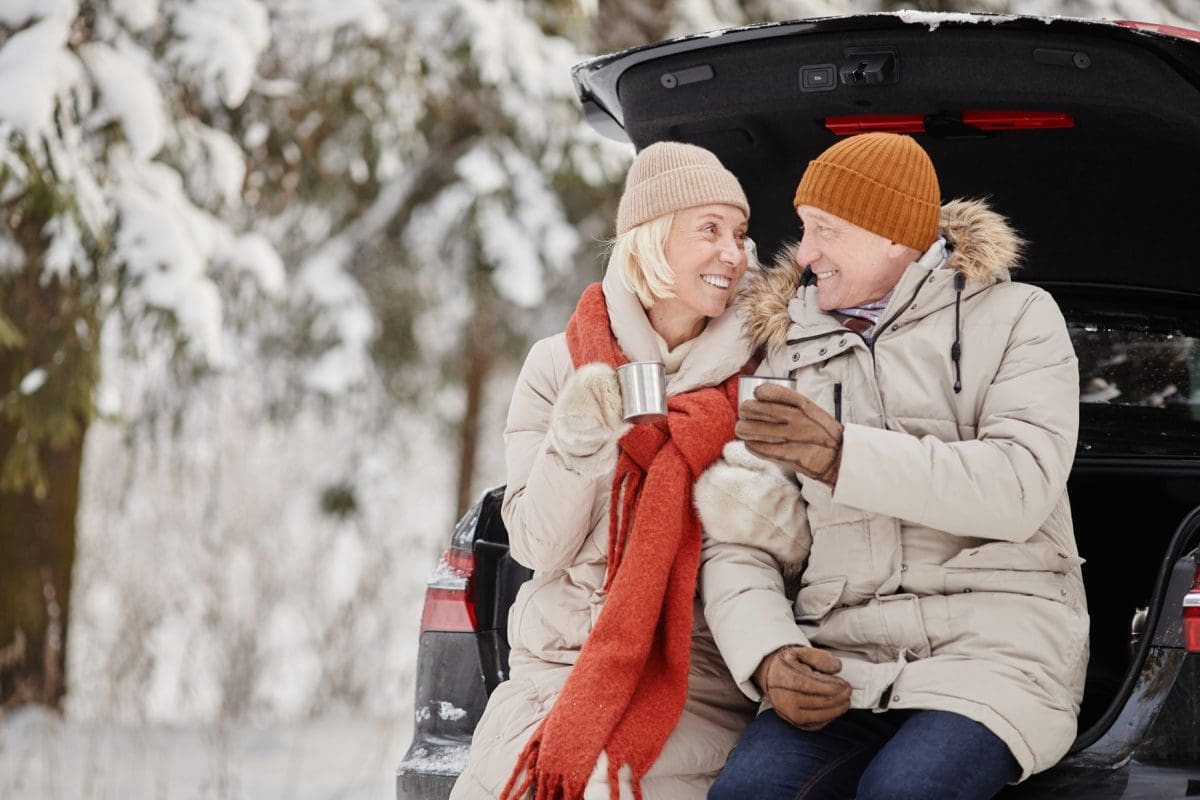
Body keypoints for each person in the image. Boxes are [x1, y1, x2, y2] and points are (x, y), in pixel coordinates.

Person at [695, 132, 1088, 800]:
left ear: (893, 236)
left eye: (826, 229)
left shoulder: (1020, 317)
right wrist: (766, 655)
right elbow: (742, 533)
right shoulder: (789, 349)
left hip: (994, 654)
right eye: (803, 228)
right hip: (844, 660)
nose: (806, 251)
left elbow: (1020, 488)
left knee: (909, 790)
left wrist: (843, 455)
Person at [450, 141, 760, 800]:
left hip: (690, 677)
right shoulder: (558, 364)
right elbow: (537, 546)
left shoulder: (763, 374)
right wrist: (576, 447)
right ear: (650, 239)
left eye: (740, 233)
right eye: (709, 230)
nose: (733, 254)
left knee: (598, 784)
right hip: (553, 670)